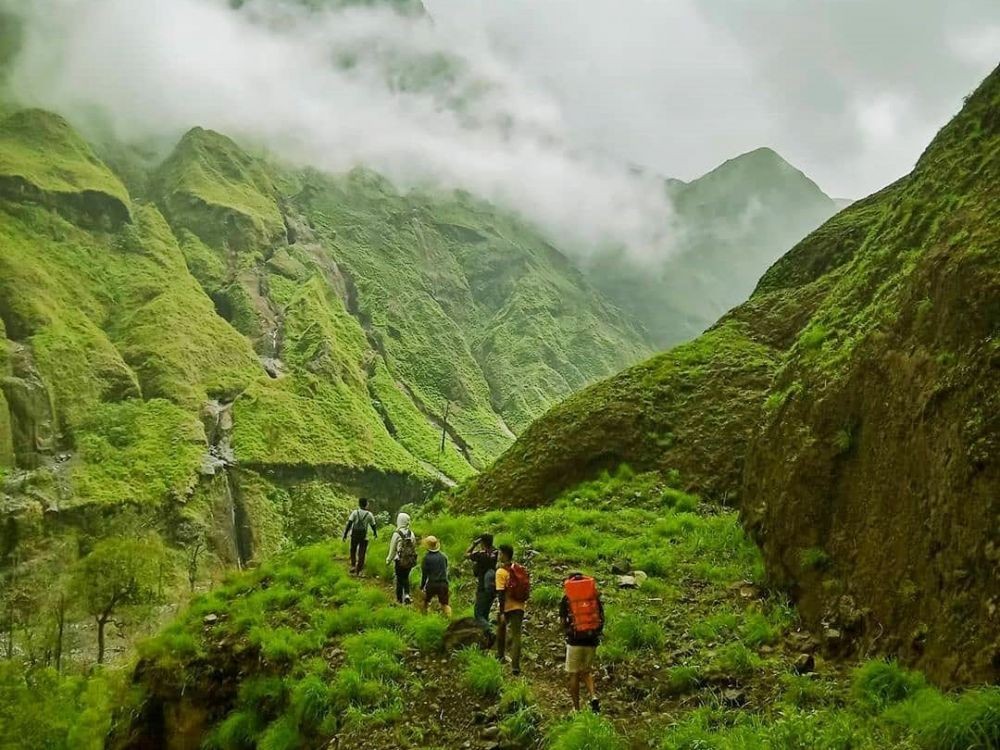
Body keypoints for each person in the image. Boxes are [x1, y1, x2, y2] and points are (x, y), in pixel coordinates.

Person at [560, 573, 605, 712]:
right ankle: (593, 697)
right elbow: (601, 618)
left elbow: (563, 621)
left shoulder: (567, 598)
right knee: (586, 671)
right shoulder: (593, 597)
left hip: (574, 641)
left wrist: (567, 632)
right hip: (591, 640)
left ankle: (576, 708)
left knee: (573, 674)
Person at [495, 544, 529, 675]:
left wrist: (502, 612)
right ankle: (515, 667)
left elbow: (500, 593)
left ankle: (500, 656)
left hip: (506, 607)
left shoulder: (501, 572)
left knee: (501, 631)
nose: (499, 556)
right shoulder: (518, 569)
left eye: (500, 553)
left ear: (504, 555)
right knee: (516, 636)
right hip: (519, 606)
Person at [466, 533, 498, 626]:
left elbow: (466, 554)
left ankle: (489, 630)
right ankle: (487, 633)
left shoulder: (480, 554)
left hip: (482, 587)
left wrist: (474, 544)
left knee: (478, 615)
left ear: (482, 542)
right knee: (485, 614)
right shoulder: (496, 552)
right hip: (492, 587)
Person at [386, 512, 418, 604]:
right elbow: (414, 546)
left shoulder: (397, 534)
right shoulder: (411, 533)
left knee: (399, 580)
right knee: (406, 577)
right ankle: (407, 594)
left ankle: (399, 600)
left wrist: (388, 559)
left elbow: (392, 549)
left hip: (399, 560)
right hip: (409, 560)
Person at [342, 498, 377, 575]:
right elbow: (373, 525)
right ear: (366, 504)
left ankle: (353, 565)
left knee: (353, 550)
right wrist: (375, 533)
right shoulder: (369, 514)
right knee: (362, 552)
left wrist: (345, 534)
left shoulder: (355, 512)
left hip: (354, 534)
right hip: (364, 535)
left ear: (359, 504)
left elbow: (349, 523)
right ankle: (359, 569)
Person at [420, 536, 452, 617]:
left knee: (425, 601)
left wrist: (422, 586)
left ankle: (424, 617)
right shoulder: (443, 556)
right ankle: (450, 619)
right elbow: (446, 569)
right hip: (443, 583)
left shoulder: (426, 558)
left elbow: (424, 575)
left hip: (432, 583)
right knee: (445, 604)